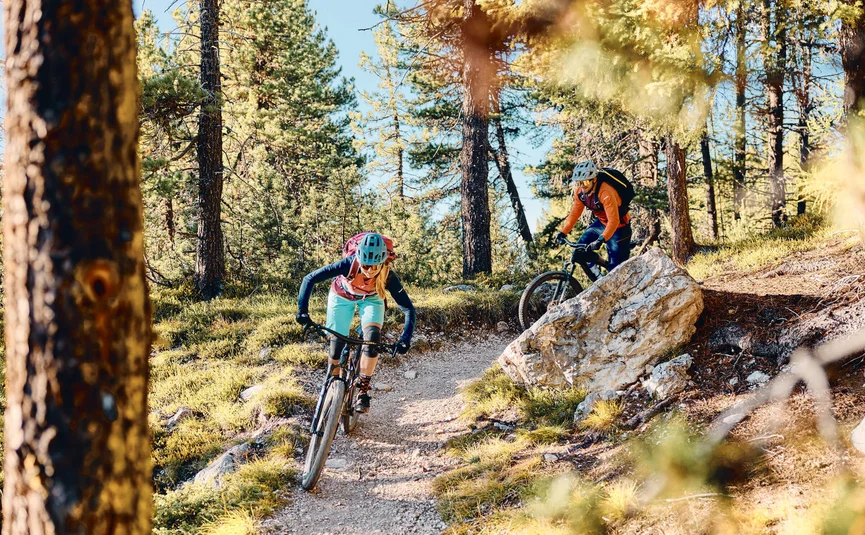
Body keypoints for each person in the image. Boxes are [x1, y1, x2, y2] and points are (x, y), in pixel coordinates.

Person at [295, 232, 415, 413]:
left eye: (375, 266)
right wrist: (302, 311)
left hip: (371, 299)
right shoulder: (348, 264)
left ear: (383, 261)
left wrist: (405, 338)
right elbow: (309, 278)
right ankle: (332, 385)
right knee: (336, 345)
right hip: (341, 297)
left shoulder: (388, 275)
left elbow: (408, 308)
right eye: (366, 265)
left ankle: (363, 390)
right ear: (359, 257)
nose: (370, 270)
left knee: (372, 338)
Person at [554, 160, 633, 270]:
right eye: (579, 183)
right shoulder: (580, 193)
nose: (582, 186)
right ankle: (603, 266)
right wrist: (563, 232)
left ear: (594, 179)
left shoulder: (606, 193)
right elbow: (574, 214)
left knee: (616, 271)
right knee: (579, 253)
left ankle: (611, 269)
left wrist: (601, 239)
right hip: (601, 224)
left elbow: (614, 221)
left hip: (619, 228)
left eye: (585, 182)